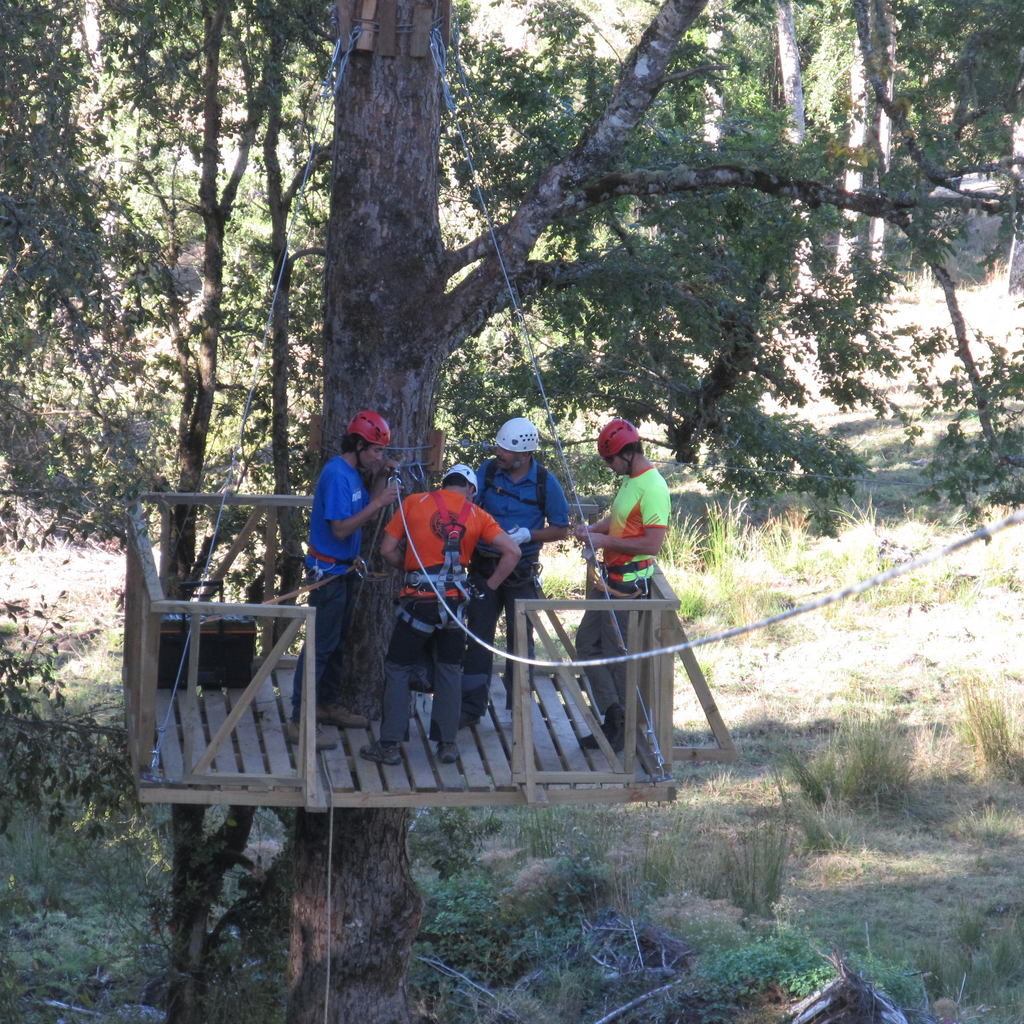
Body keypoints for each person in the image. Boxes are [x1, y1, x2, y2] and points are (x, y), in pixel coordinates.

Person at [360, 465, 521, 766]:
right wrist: (489, 586)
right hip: (454, 608)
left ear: (444, 484)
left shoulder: (413, 503)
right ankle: (447, 744)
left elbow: (387, 550)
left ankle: (389, 745)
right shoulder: (477, 515)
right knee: (449, 671)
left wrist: (410, 569)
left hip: (418, 604)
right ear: (471, 490)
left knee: (397, 668)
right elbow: (512, 552)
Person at [286, 410, 400, 750]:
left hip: (344, 570)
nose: (380, 456)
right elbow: (341, 528)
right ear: (360, 445)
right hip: (328, 574)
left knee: (337, 643)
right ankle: (298, 720)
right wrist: (380, 499)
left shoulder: (352, 474)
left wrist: (379, 482)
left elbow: (364, 510)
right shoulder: (337, 475)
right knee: (319, 648)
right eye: (377, 451)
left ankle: (326, 704)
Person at [459, 417, 570, 727]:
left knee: (520, 641)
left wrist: (528, 535)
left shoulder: (545, 483)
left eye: (505, 450)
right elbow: (468, 507)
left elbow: (561, 529)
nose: (498, 453)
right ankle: (471, 708)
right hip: (485, 565)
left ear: (523, 455)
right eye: (498, 447)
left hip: (521, 572)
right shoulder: (489, 471)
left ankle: (518, 707)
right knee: (478, 636)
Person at [574, 418, 670, 752]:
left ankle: (624, 729)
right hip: (608, 581)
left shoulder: (654, 488)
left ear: (628, 454)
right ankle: (612, 713)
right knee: (585, 644)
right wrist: (594, 530)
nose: (608, 466)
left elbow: (651, 545)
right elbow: (620, 521)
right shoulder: (630, 480)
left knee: (617, 656)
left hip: (627, 587)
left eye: (610, 460)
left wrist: (601, 539)